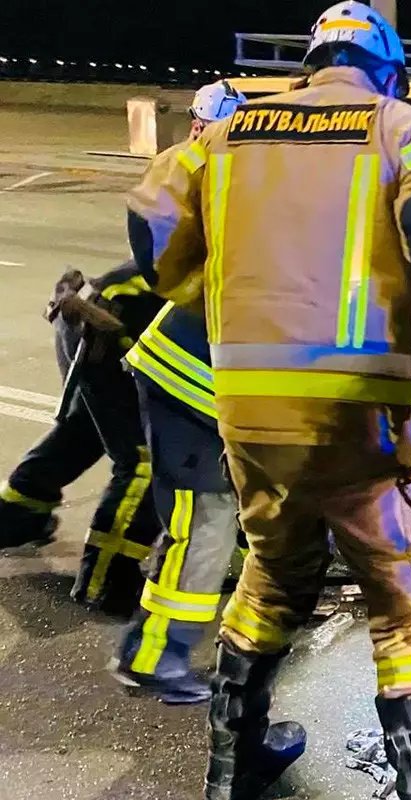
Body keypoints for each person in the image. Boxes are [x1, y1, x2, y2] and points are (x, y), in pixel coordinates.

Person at [126, 3, 411, 798]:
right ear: (391, 70)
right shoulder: (407, 132)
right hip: (360, 411)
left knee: (271, 569)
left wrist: (207, 296)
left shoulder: (228, 135)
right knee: (403, 590)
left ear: (312, 63)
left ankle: (234, 765)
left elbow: (150, 219)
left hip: (247, 403)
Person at [109, 80, 248, 705]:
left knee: (215, 524)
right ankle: (155, 657)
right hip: (187, 389)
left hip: (198, 387)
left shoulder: (236, 194)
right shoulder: (215, 182)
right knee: (204, 526)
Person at [0, 262, 162, 615]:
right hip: (110, 331)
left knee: (85, 428)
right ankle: (105, 577)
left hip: (87, 314)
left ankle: (13, 517)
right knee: (145, 460)